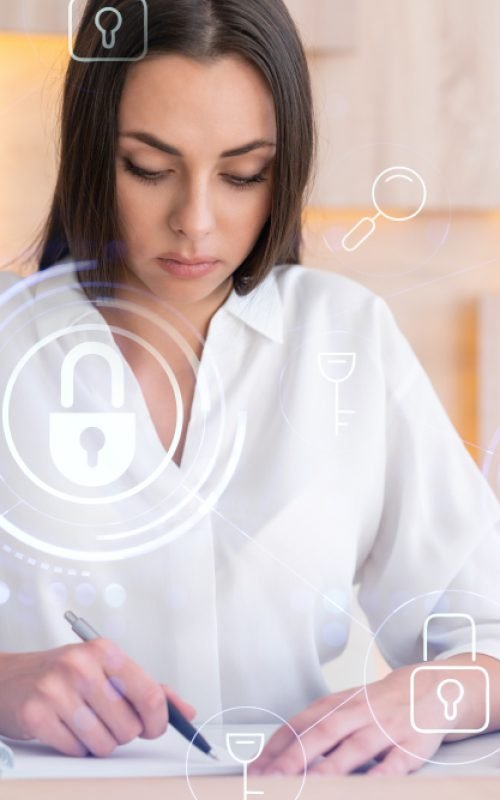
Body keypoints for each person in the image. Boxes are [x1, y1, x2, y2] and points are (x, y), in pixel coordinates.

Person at [0, 0, 499, 777]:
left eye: (243, 175)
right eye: (150, 168)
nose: (195, 221)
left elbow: (489, 634)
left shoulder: (346, 340)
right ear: (93, 152)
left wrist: (432, 693)